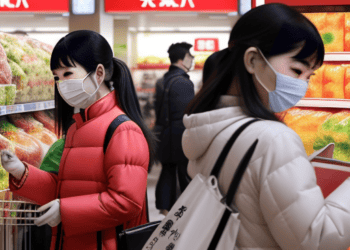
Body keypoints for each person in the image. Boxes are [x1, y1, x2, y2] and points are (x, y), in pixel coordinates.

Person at [182, 3, 350, 249]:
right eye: (297, 70)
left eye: (309, 76)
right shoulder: (273, 139)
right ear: (252, 60)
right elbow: (316, 240)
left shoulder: (211, 126)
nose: (302, 86)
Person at [1, 30, 156, 250]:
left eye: (67, 73)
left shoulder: (123, 130)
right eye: (56, 77)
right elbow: (64, 190)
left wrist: (66, 210)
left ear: (99, 73)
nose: (61, 84)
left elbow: (127, 202)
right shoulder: (77, 128)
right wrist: (20, 171)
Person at [155, 42, 195, 216]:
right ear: (184, 58)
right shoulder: (183, 82)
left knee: (168, 171)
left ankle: (164, 208)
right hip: (179, 137)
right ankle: (188, 208)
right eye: (190, 56)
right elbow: (187, 115)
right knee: (185, 173)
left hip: (164, 135)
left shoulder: (163, 80)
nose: (192, 59)